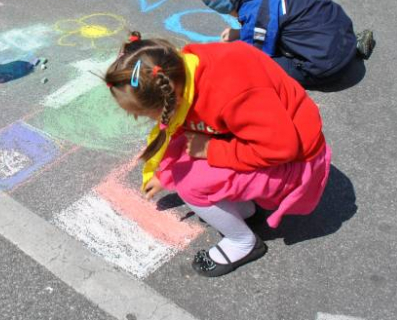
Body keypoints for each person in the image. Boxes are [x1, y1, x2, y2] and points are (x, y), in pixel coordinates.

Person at [104, 32, 332, 277]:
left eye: (148, 115)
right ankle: (245, 209)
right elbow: (177, 132)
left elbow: (282, 148)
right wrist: (163, 174)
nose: (146, 120)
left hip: (298, 162)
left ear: (170, 97)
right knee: (185, 153)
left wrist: (210, 150)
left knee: (190, 183)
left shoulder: (231, 92)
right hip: (266, 140)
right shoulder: (184, 68)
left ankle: (243, 243)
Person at [197, 0, 375, 87]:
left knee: (254, 69)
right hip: (342, 33)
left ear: (229, 4)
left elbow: (255, 55)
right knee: (290, 29)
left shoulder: (258, 9)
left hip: (325, 64)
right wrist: (240, 32)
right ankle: (353, 48)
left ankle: (329, 64)